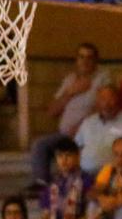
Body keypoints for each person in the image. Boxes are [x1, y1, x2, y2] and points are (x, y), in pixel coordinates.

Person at [30, 43, 110, 184]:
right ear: (76, 60)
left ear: (96, 61)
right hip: (65, 135)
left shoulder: (102, 79)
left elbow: (104, 106)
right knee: (40, 145)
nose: (85, 61)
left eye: (89, 57)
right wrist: (71, 92)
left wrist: (82, 127)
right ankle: (41, 184)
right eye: (81, 57)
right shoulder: (69, 80)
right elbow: (52, 111)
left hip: (88, 135)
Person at [41, 138, 92, 219]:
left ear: (77, 157)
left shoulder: (87, 181)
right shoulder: (52, 183)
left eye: (68, 156)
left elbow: (91, 217)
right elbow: (46, 215)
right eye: (60, 156)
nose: (63, 160)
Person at [74, 85, 122, 177]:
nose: (106, 104)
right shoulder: (88, 122)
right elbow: (76, 147)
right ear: (97, 102)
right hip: (84, 174)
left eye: (110, 99)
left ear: (119, 101)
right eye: (102, 99)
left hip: (114, 176)